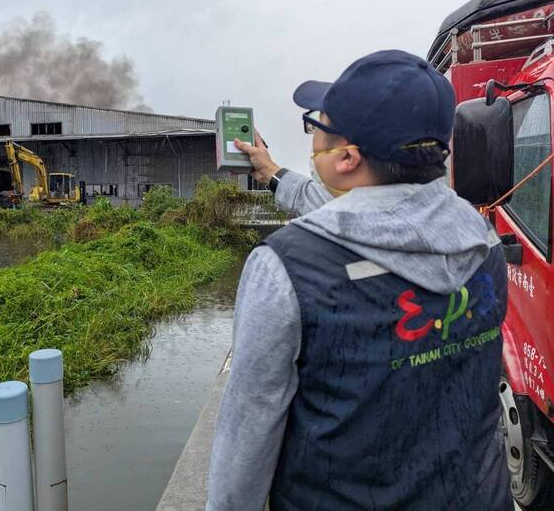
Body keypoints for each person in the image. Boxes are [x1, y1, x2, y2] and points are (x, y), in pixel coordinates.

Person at [205, 50, 512, 511]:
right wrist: (272, 175)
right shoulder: (482, 243)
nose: (312, 139)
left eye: (316, 126)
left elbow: (244, 448)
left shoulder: (286, 268)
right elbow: (372, 217)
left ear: (346, 157)